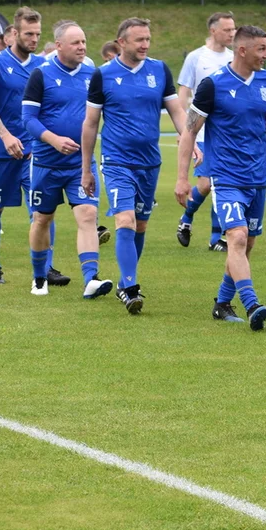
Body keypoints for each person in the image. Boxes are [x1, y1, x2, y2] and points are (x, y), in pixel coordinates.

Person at [177, 25, 266, 330]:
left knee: (248, 244)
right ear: (242, 50)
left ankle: (221, 302)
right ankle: (252, 303)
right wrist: (182, 178)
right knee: (238, 237)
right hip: (226, 176)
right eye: (261, 49)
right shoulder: (212, 85)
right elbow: (189, 131)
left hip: (257, 177)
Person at [81, 18, 192, 315]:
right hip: (117, 162)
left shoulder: (159, 70)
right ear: (121, 42)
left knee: (140, 224)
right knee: (125, 221)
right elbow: (91, 124)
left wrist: (190, 140)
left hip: (149, 163)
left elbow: (178, 113)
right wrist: (86, 168)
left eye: (148, 39)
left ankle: (124, 281)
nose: (145, 45)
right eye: (139, 40)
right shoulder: (102, 76)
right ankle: (130, 288)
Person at [21, 21, 113, 299]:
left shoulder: (93, 74)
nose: (82, 47)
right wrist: (54, 139)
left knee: (87, 215)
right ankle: (39, 277)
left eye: (84, 41)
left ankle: (91, 280)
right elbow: (28, 119)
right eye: (75, 43)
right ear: (58, 45)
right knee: (42, 219)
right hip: (46, 164)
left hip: (81, 165)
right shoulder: (41, 74)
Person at [0, 7, 63, 285]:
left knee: (42, 210)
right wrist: (5, 136)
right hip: (0, 150)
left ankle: (46, 268)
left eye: (38, 34)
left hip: (34, 151)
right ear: (14, 33)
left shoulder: (42, 65)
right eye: (29, 33)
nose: (34, 39)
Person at [175, 11, 235, 252]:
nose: (232, 34)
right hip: (200, 130)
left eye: (233, 29)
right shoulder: (196, 57)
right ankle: (186, 219)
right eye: (227, 30)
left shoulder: (234, 57)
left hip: (227, 132)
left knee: (221, 183)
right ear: (213, 30)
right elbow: (184, 91)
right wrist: (183, 128)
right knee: (206, 183)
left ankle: (216, 238)